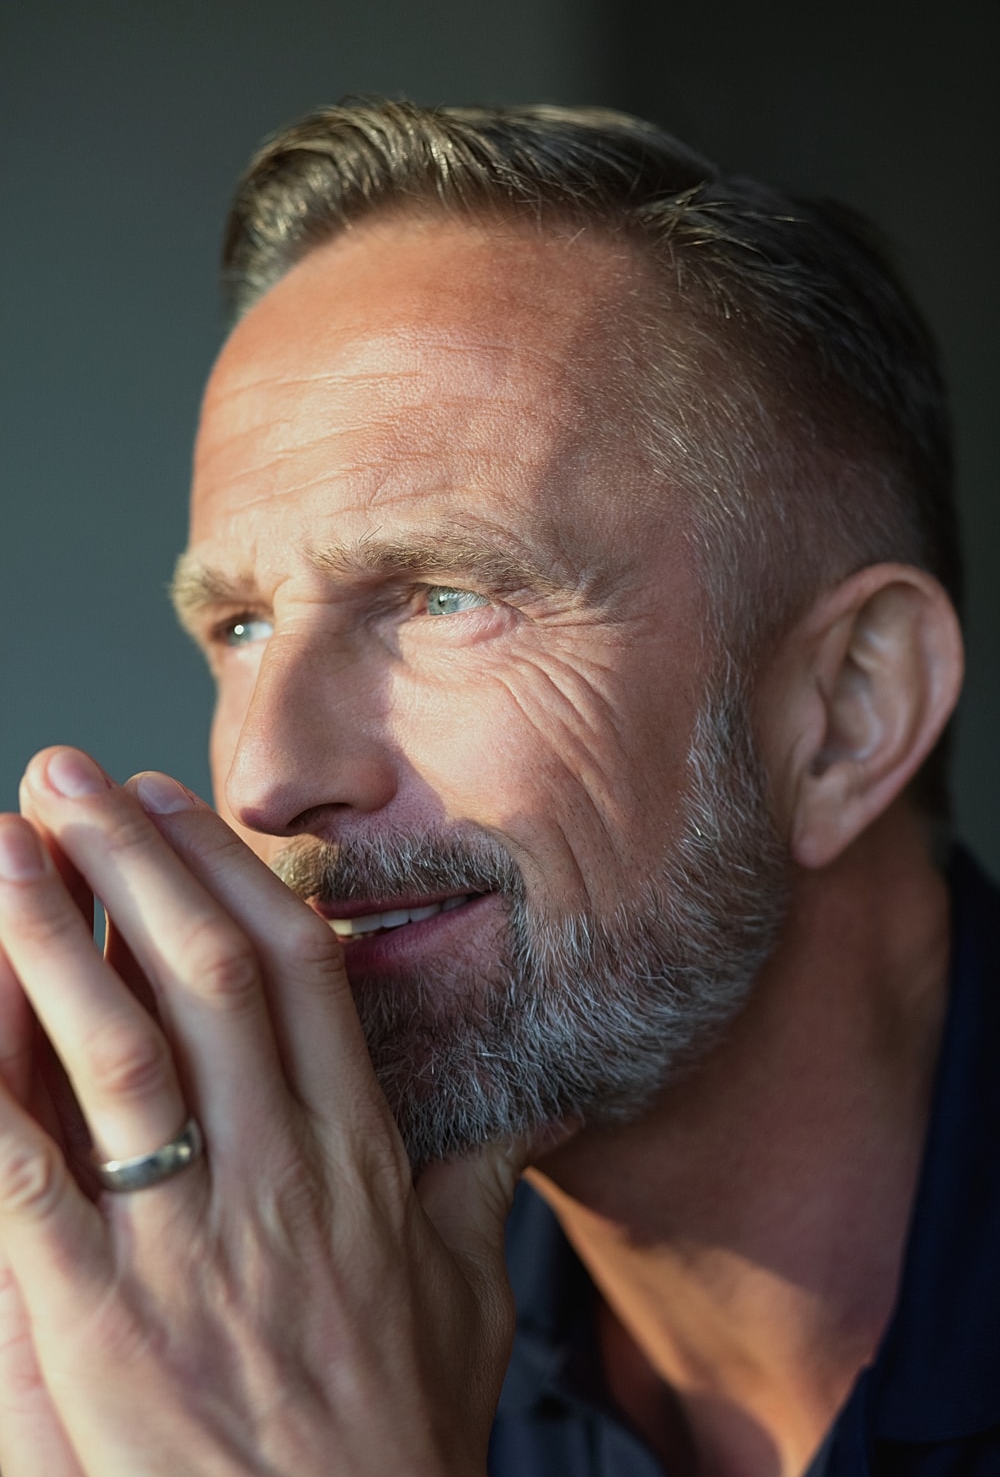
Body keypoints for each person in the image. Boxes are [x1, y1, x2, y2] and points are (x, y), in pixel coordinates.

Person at [0, 99, 993, 1477]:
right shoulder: (245, 1347)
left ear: (846, 712)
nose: (265, 775)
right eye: (237, 627)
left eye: (445, 595)